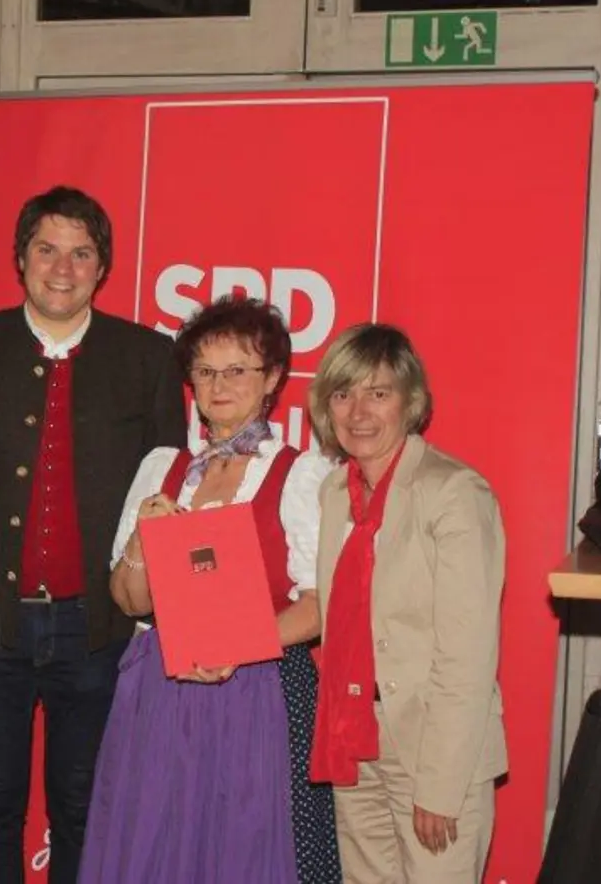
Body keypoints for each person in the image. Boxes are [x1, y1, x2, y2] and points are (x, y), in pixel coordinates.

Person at [0, 185, 186, 883]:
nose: (63, 268)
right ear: (20, 259)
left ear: (102, 268)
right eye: (47, 249)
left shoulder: (148, 357)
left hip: (95, 630)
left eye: (81, 253)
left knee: (83, 808)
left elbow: (170, 494)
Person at [80, 296, 341, 883]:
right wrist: (142, 544)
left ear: (272, 378)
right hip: (159, 687)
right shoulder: (162, 467)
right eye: (205, 371)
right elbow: (130, 602)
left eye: (237, 370)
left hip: (256, 692)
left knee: (244, 849)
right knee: (152, 846)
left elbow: (320, 606)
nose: (219, 385)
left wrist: (237, 643)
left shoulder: (299, 473)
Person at [307, 323, 507, 883]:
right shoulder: (332, 494)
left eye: (379, 392)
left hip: (431, 749)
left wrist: (440, 786)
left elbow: (467, 657)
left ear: (410, 401)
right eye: (343, 394)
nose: (359, 412)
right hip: (355, 735)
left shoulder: (453, 492)